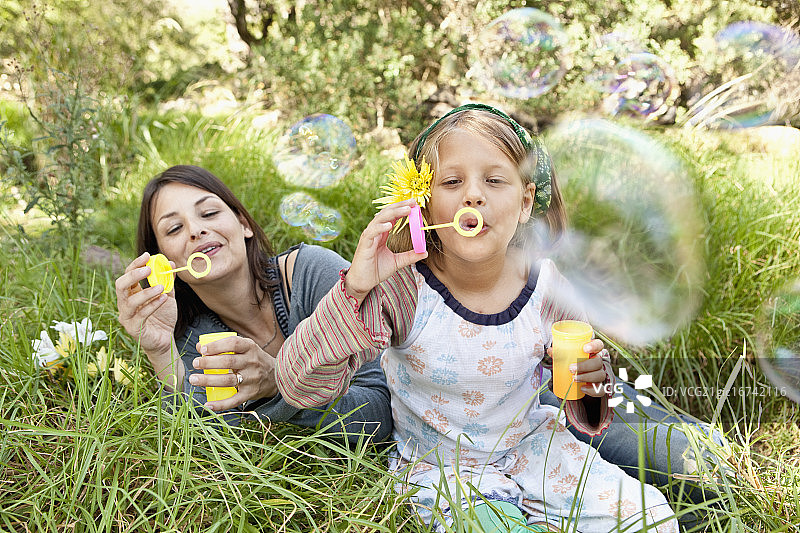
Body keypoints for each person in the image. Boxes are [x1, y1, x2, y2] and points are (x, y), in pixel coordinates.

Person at [275, 104, 678, 532]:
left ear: (525, 203)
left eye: (493, 179)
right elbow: (298, 385)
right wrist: (354, 287)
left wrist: (590, 384)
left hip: (535, 451)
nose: (473, 195)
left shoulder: (547, 286)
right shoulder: (405, 289)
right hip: (443, 472)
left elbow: (585, 414)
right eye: (452, 181)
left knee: (650, 519)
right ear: (425, 208)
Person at [114, 165, 392, 445]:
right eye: (174, 228)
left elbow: (381, 413)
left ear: (244, 224)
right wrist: (161, 353)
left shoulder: (315, 274)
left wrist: (278, 383)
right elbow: (201, 447)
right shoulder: (192, 339)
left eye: (209, 213)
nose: (196, 230)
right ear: (163, 263)